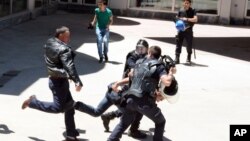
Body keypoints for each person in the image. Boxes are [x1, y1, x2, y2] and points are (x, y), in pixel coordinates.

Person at [21, 26, 83, 141]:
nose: (68, 39)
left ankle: (71, 136)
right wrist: (77, 81)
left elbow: (57, 62)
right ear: (60, 36)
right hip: (58, 82)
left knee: (69, 106)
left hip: (56, 78)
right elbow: (69, 65)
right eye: (66, 37)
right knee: (57, 108)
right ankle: (32, 102)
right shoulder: (63, 49)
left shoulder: (50, 42)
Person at [107, 46, 177, 141]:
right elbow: (167, 82)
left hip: (130, 100)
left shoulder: (139, 62)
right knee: (160, 122)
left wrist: (117, 83)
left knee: (123, 123)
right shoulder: (159, 66)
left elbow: (131, 77)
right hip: (144, 102)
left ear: (149, 53)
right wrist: (171, 73)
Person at [100, 39, 149, 139]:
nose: (140, 51)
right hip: (130, 83)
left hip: (139, 84)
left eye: (142, 49)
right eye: (138, 48)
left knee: (131, 106)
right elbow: (131, 64)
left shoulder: (147, 56)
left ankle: (110, 115)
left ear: (147, 49)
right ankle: (133, 130)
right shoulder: (132, 55)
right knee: (138, 106)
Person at [174, 0, 198, 64]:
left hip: (189, 30)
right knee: (178, 45)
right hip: (180, 30)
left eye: (187, 3)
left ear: (190, 4)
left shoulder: (193, 10)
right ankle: (177, 58)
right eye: (185, 3)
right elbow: (176, 18)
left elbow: (195, 19)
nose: (186, 4)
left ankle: (188, 58)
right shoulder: (181, 10)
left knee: (189, 46)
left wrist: (187, 19)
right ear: (183, 3)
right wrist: (177, 22)